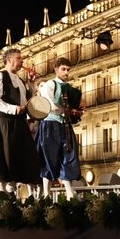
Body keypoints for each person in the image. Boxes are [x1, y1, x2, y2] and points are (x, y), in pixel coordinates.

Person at [0, 48, 41, 195]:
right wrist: (13, 109)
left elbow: (26, 101)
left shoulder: (20, 80)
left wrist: (31, 83)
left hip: (19, 123)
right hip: (5, 122)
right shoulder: (0, 76)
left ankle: (12, 192)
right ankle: (6, 195)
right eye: (19, 58)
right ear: (9, 60)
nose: (22, 61)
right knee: (6, 159)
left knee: (24, 158)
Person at [36, 57, 84, 200]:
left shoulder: (68, 87)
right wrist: (69, 110)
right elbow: (51, 106)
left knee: (67, 157)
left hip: (64, 125)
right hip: (50, 125)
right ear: (56, 69)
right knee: (48, 158)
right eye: (63, 69)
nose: (66, 72)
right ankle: (46, 194)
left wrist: (76, 109)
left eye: (68, 70)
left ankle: (69, 194)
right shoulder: (49, 85)